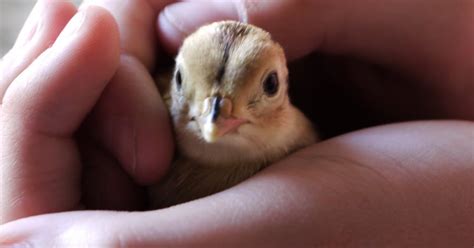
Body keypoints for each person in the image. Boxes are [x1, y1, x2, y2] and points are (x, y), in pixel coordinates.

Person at [0, 0, 472, 246]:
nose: (215, 117)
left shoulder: (309, 144)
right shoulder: (139, 127)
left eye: (266, 88)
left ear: (284, 86)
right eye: (184, 83)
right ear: (173, 78)